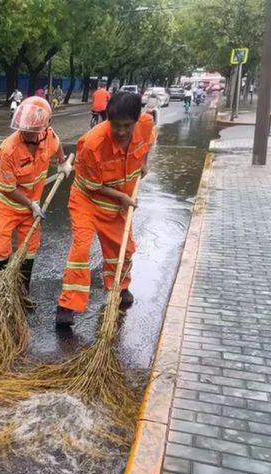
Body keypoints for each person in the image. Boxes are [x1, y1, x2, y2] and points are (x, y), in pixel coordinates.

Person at [55, 92, 156, 327]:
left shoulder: (146, 124)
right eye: (116, 125)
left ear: (136, 119)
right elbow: (94, 186)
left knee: (122, 249)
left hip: (117, 206)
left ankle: (120, 289)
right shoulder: (92, 145)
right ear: (108, 120)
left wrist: (144, 163)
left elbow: (148, 142)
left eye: (127, 126)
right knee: (80, 251)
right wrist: (122, 196)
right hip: (88, 202)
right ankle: (67, 304)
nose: (121, 131)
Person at [0, 97, 70, 309]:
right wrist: (32, 205)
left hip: (31, 207)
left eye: (32, 130)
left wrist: (62, 162)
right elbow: (8, 189)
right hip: (7, 205)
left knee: (30, 248)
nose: (27, 133)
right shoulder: (8, 150)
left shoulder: (48, 137)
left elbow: (57, 144)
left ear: (44, 127)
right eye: (24, 130)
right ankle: (3, 296)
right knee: (2, 249)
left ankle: (23, 294)